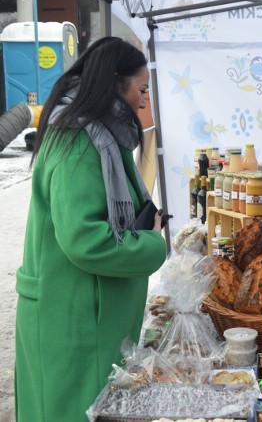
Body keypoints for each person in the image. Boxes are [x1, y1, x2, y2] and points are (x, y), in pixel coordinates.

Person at [15, 37, 168, 421]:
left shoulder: (100, 136)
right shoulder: (79, 142)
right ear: (117, 84)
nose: (144, 100)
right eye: (142, 88)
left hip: (85, 315)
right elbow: (85, 241)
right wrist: (151, 243)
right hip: (72, 323)